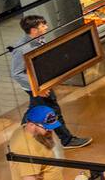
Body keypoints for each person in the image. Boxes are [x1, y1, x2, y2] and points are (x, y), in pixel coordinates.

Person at [9, 14, 91, 148]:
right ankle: (67, 140)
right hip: (37, 87)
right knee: (53, 111)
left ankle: (20, 140)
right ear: (34, 30)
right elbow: (16, 74)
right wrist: (37, 88)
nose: (46, 27)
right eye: (43, 25)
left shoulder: (39, 39)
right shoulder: (21, 49)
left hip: (44, 84)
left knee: (34, 110)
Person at [9, 104, 67, 180]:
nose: (50, 131)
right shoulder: (26, 148)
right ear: (31, 125)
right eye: (46, 128)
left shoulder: (29, 132)